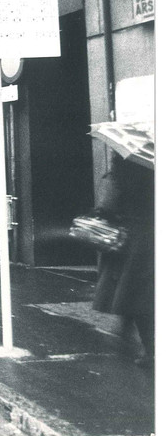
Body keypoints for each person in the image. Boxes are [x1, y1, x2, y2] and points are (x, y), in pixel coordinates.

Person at [91, 155, 155, 368]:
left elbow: (108, 204)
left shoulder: (126, 162)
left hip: (134, 237)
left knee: (135, 292)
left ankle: (152, 351)